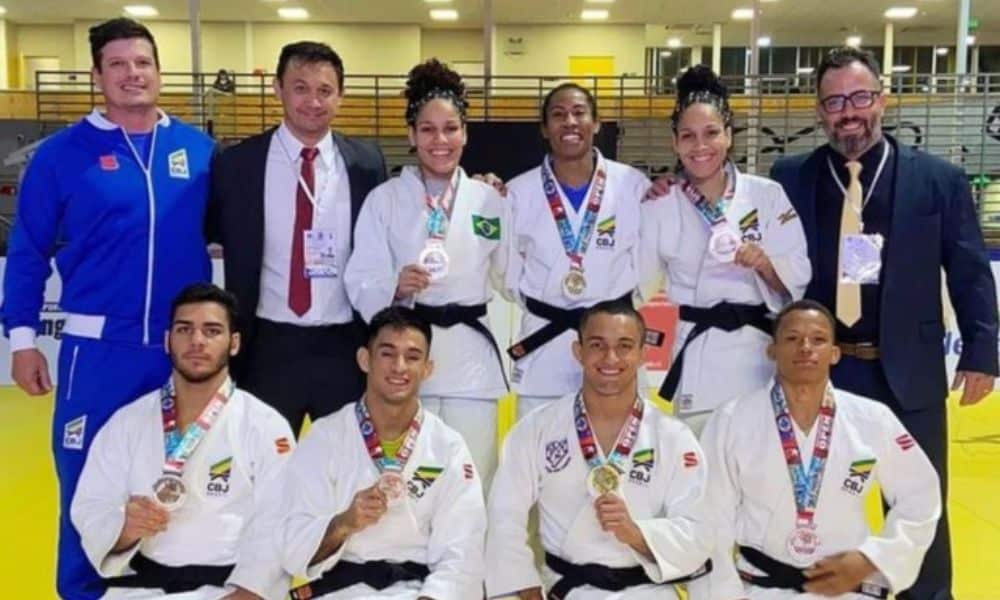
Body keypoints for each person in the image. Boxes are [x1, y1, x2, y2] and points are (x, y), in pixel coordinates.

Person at [769, 46, 998, 599]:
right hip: (826, 372)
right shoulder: (789, 177)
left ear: (882, 99)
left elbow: (968, 270)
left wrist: (981, 353)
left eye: (860, 97)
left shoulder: (937, 179)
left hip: (909, 372)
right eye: (834, 101)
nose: (848, 112)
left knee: (923, 506)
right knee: (817, 501)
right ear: (819, 110)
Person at [1, 18, 215, 599]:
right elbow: (27, 252)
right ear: (96, 76)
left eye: (142, 63)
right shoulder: (63, 156)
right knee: (86, 487)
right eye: (117, 65)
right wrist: (22, 340)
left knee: (178, 485)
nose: (132, 75)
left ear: (159, 72)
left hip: (181, 356)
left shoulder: (197, 151)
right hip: (97, 356)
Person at [691, 300, 941, 599]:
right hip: (760, 588)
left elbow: (921, 495)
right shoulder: (732, 419)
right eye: (792, 338)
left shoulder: (873, 418)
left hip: (847, 588)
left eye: (819, 339)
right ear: (772, 350)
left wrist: (872, 558)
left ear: (835, 353)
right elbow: (709, 514)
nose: (806, 347)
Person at [207, 41, 388, 436]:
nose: (313, 101)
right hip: (267, 344)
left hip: (344, 344)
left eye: (325, 90)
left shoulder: (366, 163)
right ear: (278, 88)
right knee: (260, 473)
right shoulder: (237, 164)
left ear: (340, 96)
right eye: (300, 87)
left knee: (343, 471)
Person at [70, 283, 295, 599]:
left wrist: (251, 590)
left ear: (234, 343)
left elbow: (283, 518)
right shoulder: (128, 422)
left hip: (231, 589)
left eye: (212, 331)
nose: (197, 341)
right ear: (167, 340)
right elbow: (91, 504)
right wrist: (123, 528)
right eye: (184, 329)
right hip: (142, 589)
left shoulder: (266, 425)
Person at [344, 59, 510, 484]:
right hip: (406, 359)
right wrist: (393, 285)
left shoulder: (488, 199)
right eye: (429, 129)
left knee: (474, 479)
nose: (441, 140)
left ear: (465, 133)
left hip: (471, 365)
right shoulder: (385, 200)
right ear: (411, 135)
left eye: (451, 128)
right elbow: (360, 277)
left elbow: (512, 276)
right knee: (408, 480)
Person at [487, 300, 711, 599]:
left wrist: (637, 534)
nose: (610, 357)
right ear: (578, 352)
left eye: (625, 346)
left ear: (643, 354)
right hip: (567, 590)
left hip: (646, 592)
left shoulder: (673, 436)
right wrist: (525, 585)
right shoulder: (537, 429)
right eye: (597, 345)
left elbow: (697, 532)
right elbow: (504, 515)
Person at [639, 65, 810, 434]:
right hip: (697, 351)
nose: (700, 147)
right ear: (674, 142)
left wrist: (765, 264)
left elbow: (797, 275)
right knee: (700, 474)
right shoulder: (660, 204)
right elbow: (637, 283)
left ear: (729, 135)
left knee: (757, 468)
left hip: (756, 354)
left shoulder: (766, 195)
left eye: (711, 133)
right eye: (688, 136)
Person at [277, 306, 486, 599]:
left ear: (427, 369)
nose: (399, 367)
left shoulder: (448, 447)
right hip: (339, 592)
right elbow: (293, 547)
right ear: (365, 359)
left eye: (412, 357)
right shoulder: (325, 437)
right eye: (387, 353)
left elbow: (464, 552)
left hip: (417, 592)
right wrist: (344, 523)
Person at [505, 83, 651, 418]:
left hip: (612, 344)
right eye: (558, 115)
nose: (569, 121)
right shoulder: (517, 193)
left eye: (579, 112)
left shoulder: (633, 186)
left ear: (596, 122)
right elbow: (506, 274)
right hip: (545, 343)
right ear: (545, 128)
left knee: (619, 454)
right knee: (539, 456)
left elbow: (648, 267)